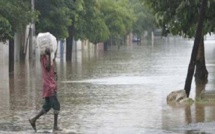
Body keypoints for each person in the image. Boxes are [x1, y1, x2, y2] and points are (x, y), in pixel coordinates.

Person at [29, 48, 61, 132]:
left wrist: (54, 73)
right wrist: (49, 55)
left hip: (50, 84)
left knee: (47, 106)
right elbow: (47, 68)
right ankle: (55, 127)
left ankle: (33, 120)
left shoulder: (48, 57)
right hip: (49, 86)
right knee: (56, 105)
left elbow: (50, 70)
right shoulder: (44, 57)